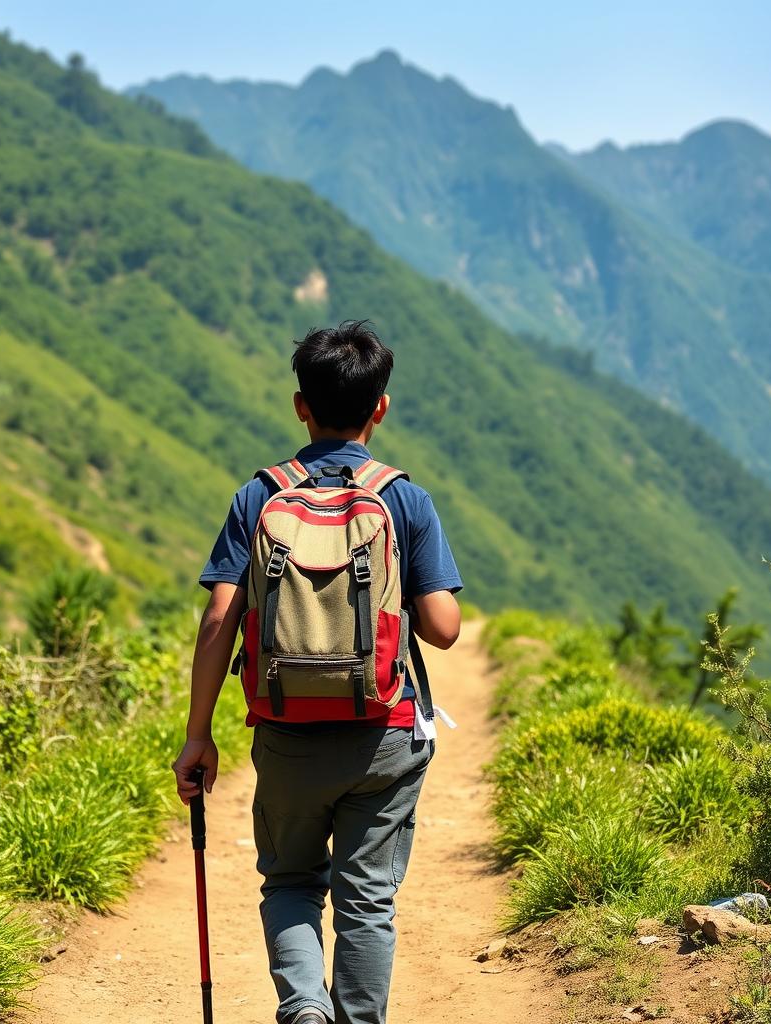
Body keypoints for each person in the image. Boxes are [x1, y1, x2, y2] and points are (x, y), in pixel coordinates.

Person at [172, 320, 463, 1024]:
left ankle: (304, 1009)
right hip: (384, 735)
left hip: (286, 729)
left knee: (293, 881)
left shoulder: (258, 497)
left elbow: (218, 623)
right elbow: (445, 631)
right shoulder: (403, 498)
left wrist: (198, 736)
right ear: (381, 407)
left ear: (300, 404)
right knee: (367, 901)